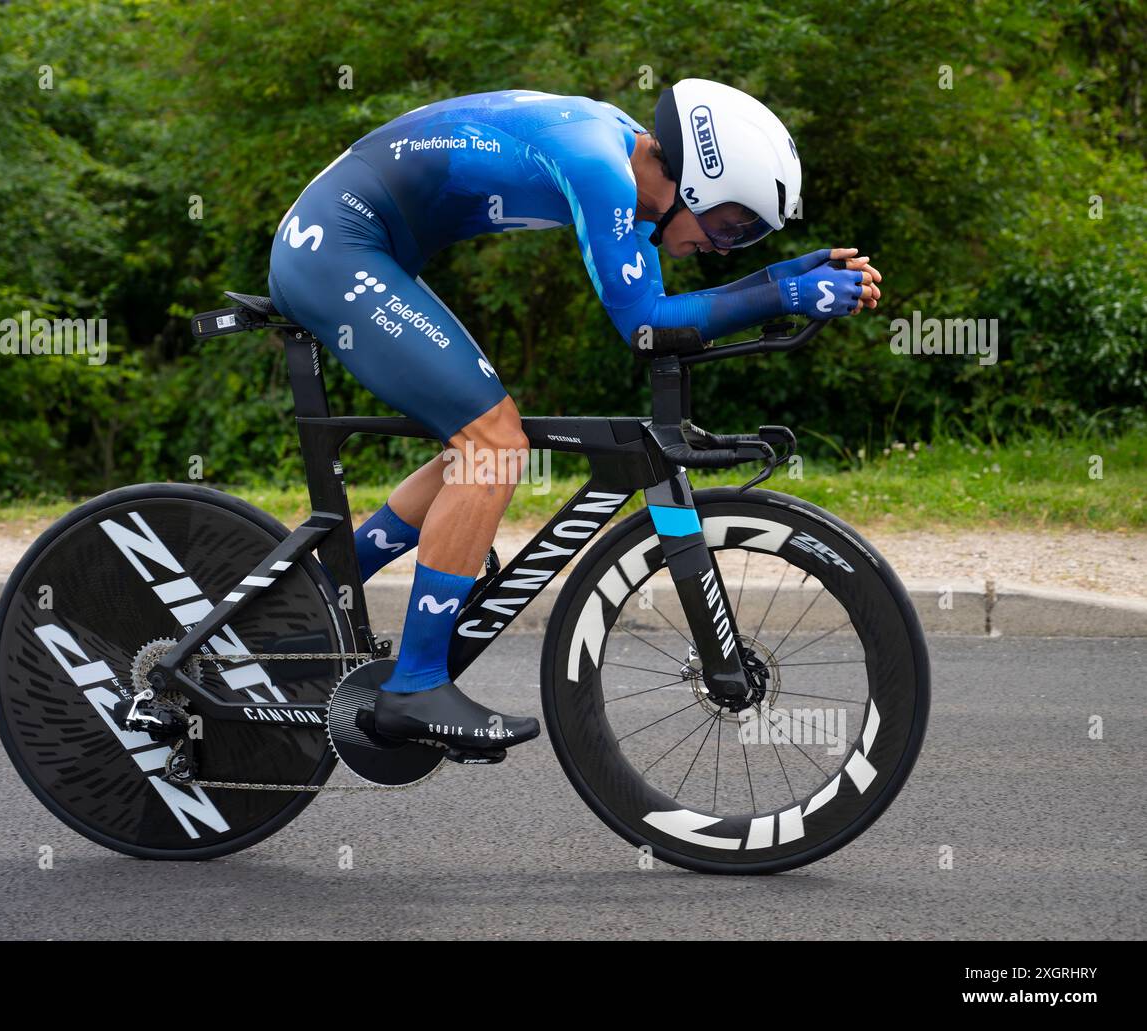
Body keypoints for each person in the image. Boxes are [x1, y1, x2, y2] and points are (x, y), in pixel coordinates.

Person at [268, 79, 881, 755]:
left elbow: (656, 301)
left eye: (752, 235)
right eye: (736, 224)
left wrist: (784, 280)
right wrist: (782, 291)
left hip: (361, 244)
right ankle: (413, 686)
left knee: (481, 442)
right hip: (335, 247)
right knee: (493, 441)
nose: (729, 245)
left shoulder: (623, 159)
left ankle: (316, 591)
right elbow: (645, 325)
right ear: (695, 181)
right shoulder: (600, 168)